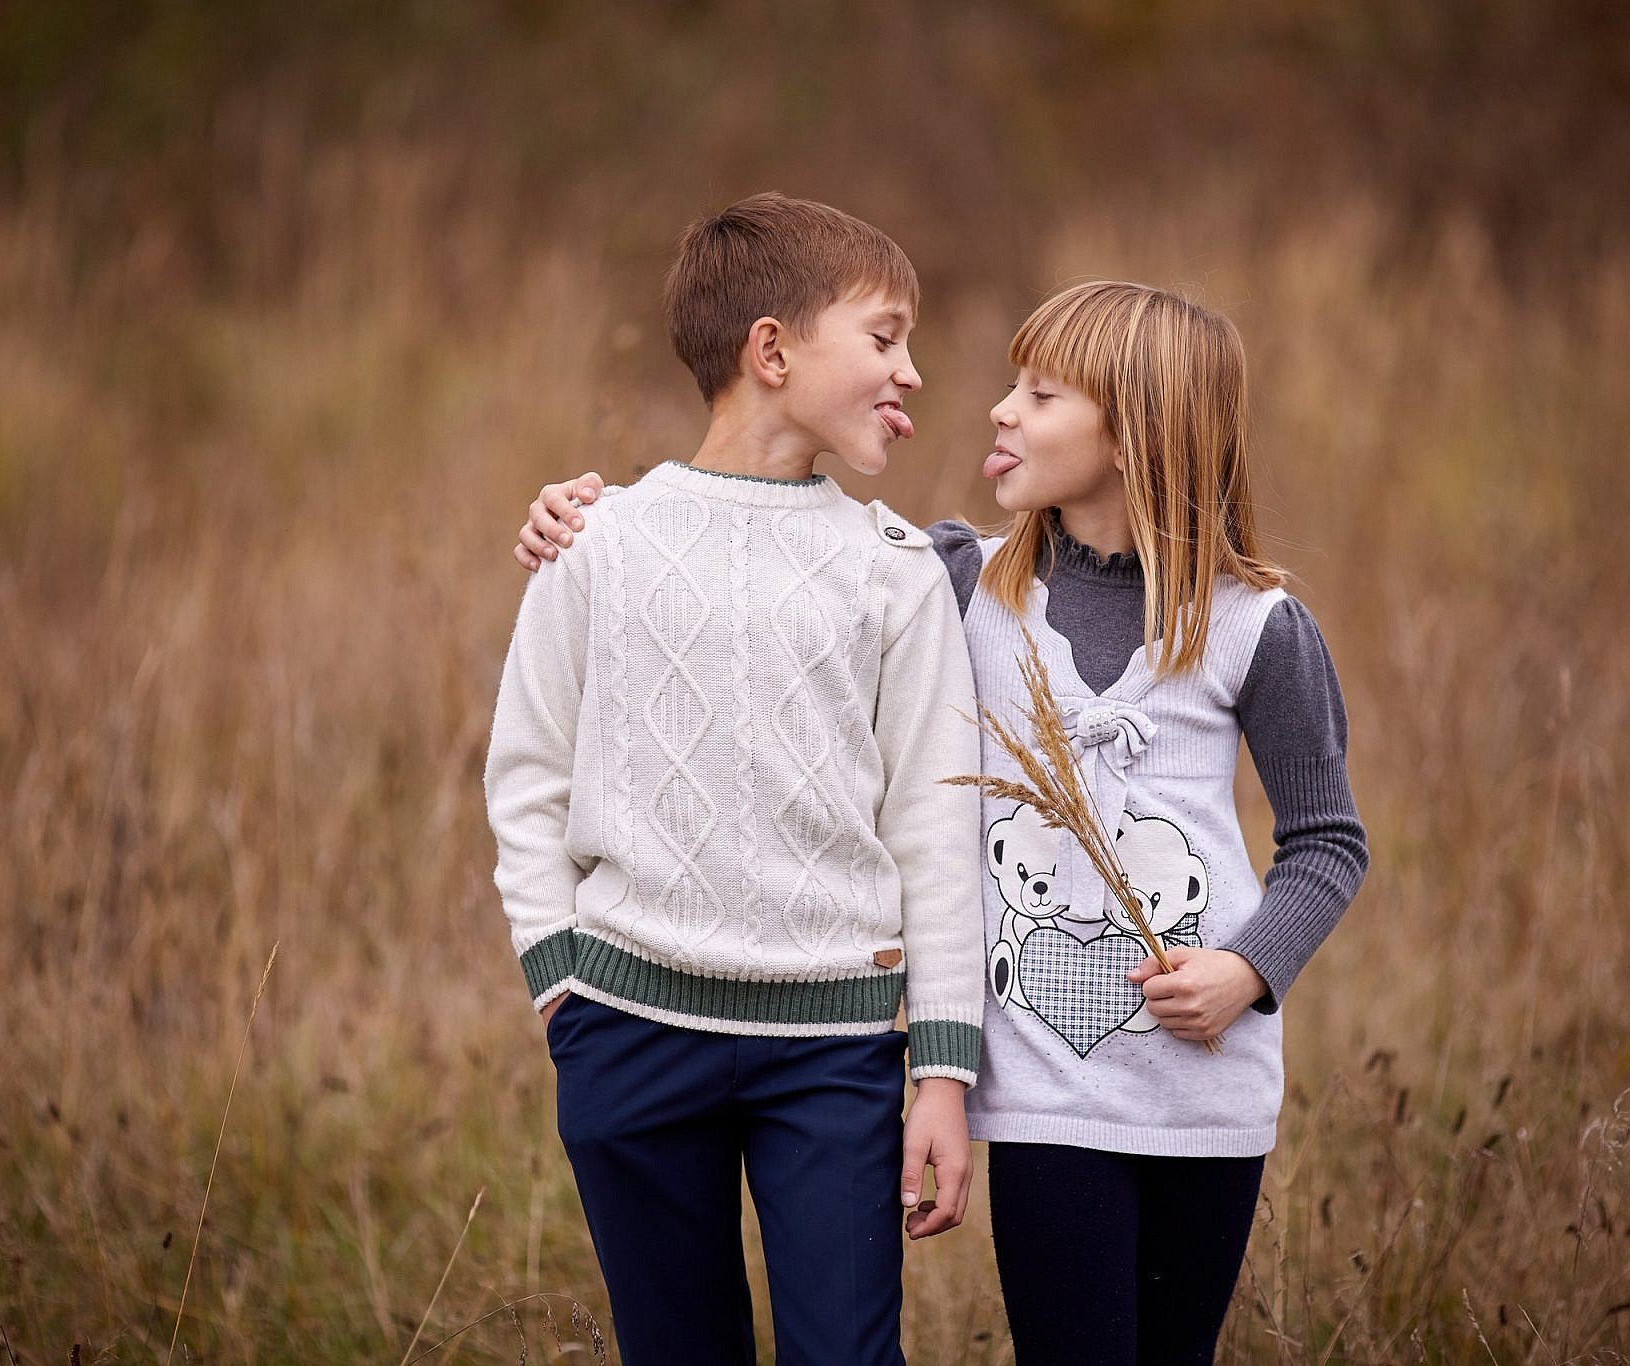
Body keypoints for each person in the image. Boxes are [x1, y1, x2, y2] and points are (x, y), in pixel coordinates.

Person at [516, 279, 1370, 1364]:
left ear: (1136, 434)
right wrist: (589, 515)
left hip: (1205, 1092)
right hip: (1043, 1099)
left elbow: (1326, 843)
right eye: (1011, 386)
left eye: (1040, 394)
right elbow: (767, 540)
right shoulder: (952, 581)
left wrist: (1247, 970)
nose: (999, 410)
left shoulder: (1256, 626)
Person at [483, 192, 984, 1366]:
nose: (911, 371)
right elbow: (525, 776)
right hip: (629, 1036)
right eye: (884, 336)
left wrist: (943, 1070)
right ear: (770, 350)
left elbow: (934, 824)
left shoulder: (896, 575)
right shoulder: (596, 545)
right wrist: (561, 985)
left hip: (836, 1054)